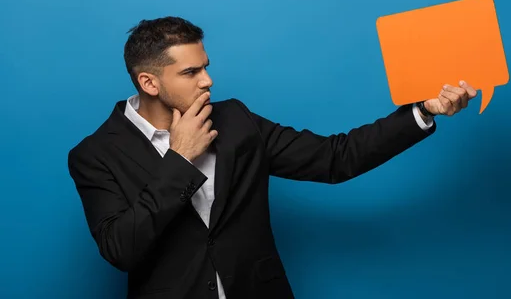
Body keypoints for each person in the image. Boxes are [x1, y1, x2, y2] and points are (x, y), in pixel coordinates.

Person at [67, 16, 478, 299]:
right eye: (191, 73)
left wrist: (423, 111)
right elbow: (120, 248)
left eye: (205, 66)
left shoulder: (237, 121)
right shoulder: (96, 154)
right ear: (149, 82)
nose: (208, 80)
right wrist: (181, 159)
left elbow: (336, 158)